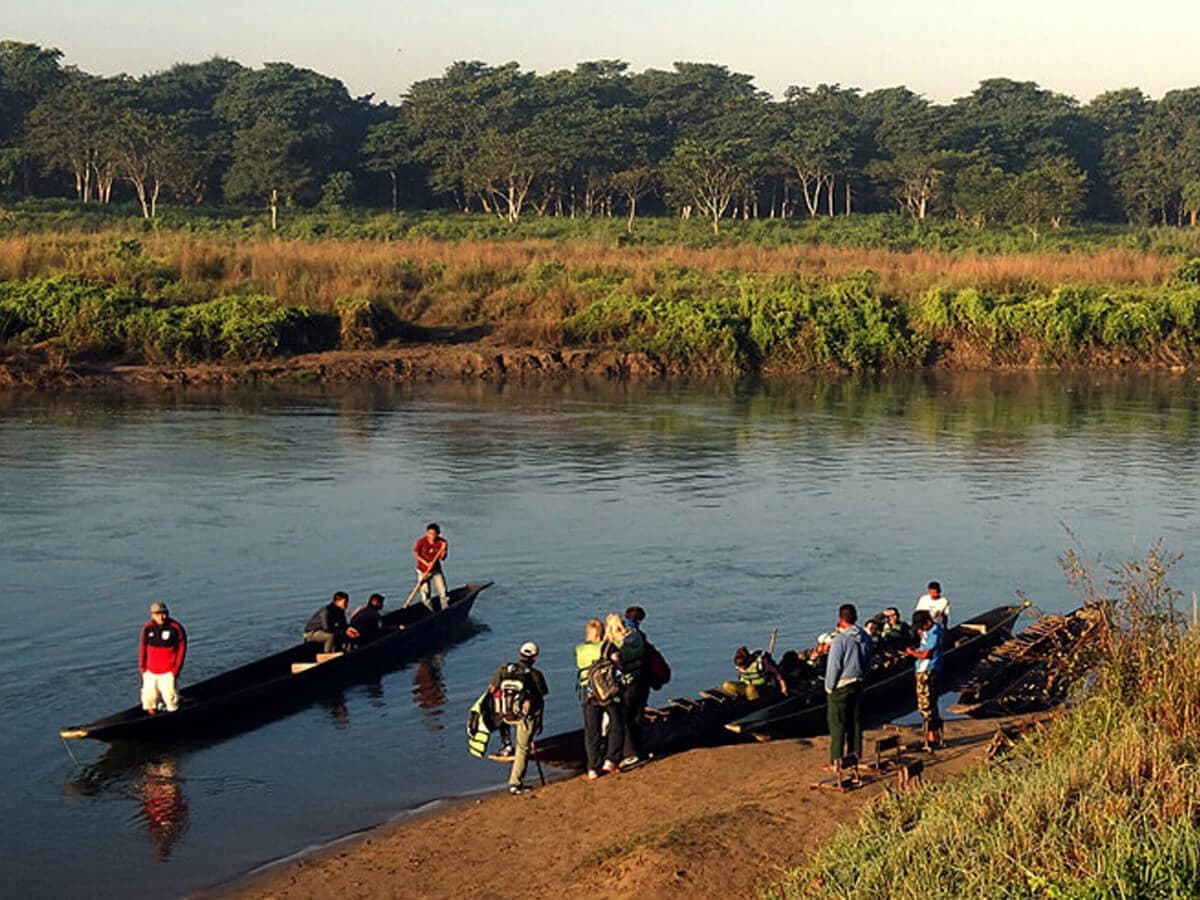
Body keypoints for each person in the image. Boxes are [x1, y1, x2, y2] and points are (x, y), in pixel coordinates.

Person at [489, 642, 549, 794]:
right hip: (524, 716)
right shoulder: (535, 675)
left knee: (508, 727)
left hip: (505, 715)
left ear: (519, 654)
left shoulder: (504, 669)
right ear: (535, 657)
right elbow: (540, 699)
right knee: (523, 748)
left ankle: (506, 745)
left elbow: (492, 689)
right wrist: (539, 720)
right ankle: (515, 783)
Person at [575, 618, 625, 779]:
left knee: (592, 731)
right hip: (607, 691)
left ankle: (592, 768)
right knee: (617, 724)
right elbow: (619, 665)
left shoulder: (580, 649)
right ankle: (611, 759)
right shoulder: (608, 647)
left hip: (587, 691)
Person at [823, 603, 872, 769]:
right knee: (855, 721)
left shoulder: (840, 640)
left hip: (842, 685)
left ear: (840, 619)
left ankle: (836, 760)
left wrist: (829, 687)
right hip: (858, 682)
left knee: (837, 724)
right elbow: (867, 661)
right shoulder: (864, 636)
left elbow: (834, 666)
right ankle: (854, 755)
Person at [606, 612, 645, 767]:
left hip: (625, 684)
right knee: (636, 715)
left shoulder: (617, 644)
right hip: (639, 680)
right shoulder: (636, 637)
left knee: (623, 717)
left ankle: (629, 753)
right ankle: (639, 748)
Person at [906, 610, 946, 748]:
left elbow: (925, 654)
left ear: (928, 622)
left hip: (927, 670)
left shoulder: (934, 632)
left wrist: (912, 653)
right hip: (928, 670)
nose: (921, 629)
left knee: (926, 705)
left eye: (922, 626)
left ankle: (932, 738)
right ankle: (934, 736)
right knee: (931, 703)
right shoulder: (933, 630)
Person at [139, 602, 187, 714]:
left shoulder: (176, 628)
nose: (161, 617)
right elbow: (142, 647)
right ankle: (152, 717)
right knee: (149, 699)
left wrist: (176, 669)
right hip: (150, 672)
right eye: (157, 614)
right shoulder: (148, 628)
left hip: (168, 672)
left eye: (164, 613)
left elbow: (181, 649)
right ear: (152, 615)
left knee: (170, 699)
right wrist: (143, 668)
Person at [724, 646, 788, 700]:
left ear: (748, 660)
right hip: (748, 686)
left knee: (750, 689)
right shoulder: (740, 663)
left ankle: (753, 704)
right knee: (727, 685)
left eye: (743, 666)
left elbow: (777, 673)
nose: (741, 669)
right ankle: (740, 699)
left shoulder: (761, 662)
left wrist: (783, 687)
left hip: (765, 687)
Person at [412, 523, 449, 611]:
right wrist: (426, 563)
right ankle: (428, 611)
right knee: (425, 592)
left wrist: (443, 549)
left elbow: (443, 558)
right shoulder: (421, 541)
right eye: (429, 533)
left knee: (443, 591)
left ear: (438, 534)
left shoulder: (442, 542)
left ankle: (445, 609)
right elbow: (416, 554)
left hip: (436, 570)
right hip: (423, 570)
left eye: (433, 534)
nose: (431, 536)